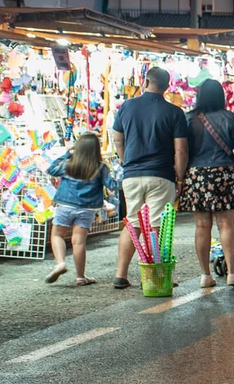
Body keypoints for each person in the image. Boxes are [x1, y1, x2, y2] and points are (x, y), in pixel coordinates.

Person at [111, 66, 189, 290]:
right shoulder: (174, 112)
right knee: (157, 226)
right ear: (167, 87)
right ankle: (157, 275)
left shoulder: (126, 106)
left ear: (145, 81)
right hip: (161, 175)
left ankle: (121, 274)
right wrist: (180, 178)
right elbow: (181, 150)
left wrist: (127, 161)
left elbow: (117, 139)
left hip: (132, 175)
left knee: (132, 224)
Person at [182, 79, 234, 289]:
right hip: (223, 173)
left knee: (202, 225)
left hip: (196, 174)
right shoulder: (228, 117)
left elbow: (182, 149)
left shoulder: (189, 119)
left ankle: (205, 275)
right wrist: (232, 155)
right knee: (226, 224)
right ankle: (232, 273)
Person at [46, 131, 109, 286]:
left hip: (65, 206)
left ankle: (60, 263)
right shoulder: (100, 167)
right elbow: (112, 184)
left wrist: (67, 154)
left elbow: (51, 169)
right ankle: (80, 277)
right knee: (79, 242)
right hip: (87, 209)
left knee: (57, 235)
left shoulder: (69, 164)